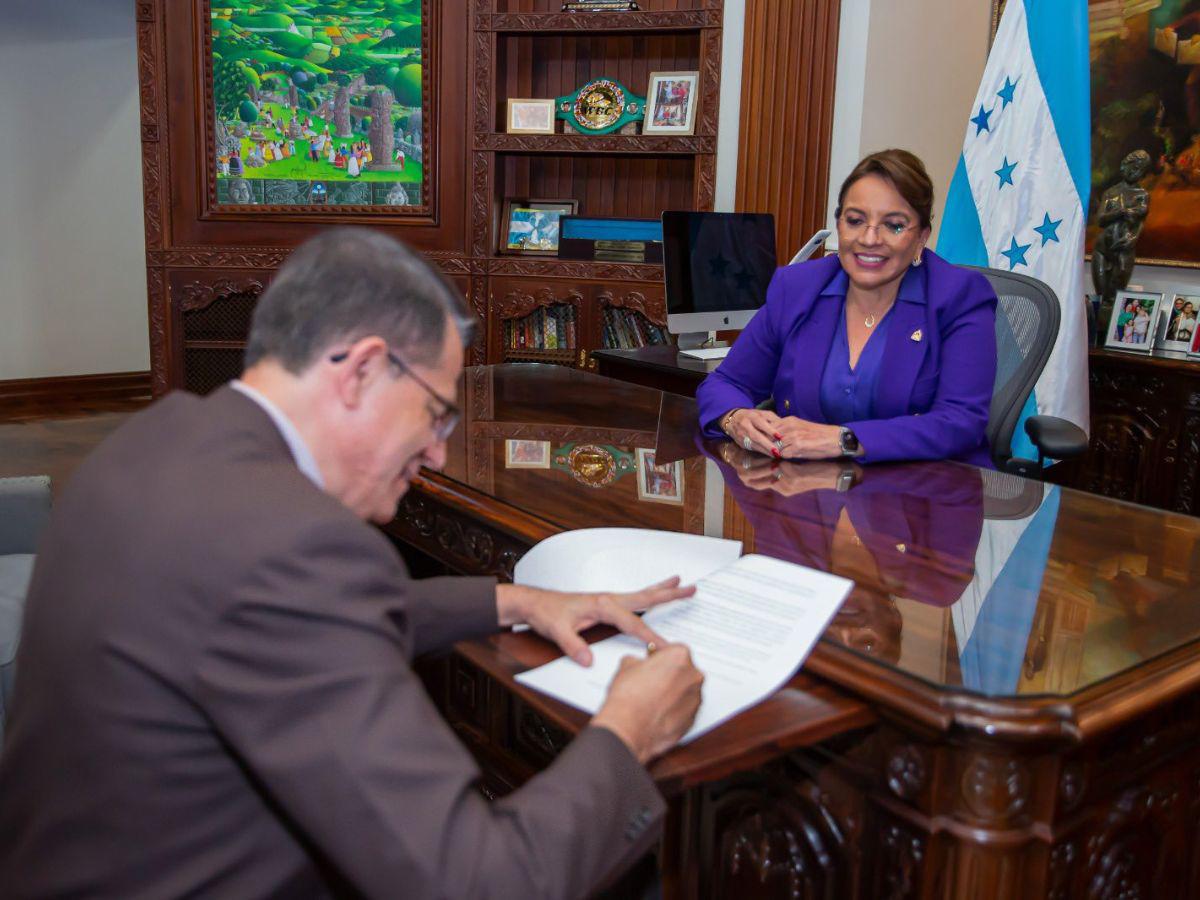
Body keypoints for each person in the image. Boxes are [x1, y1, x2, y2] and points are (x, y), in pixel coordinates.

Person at [0, 229, 705, 898]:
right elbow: (478, 883)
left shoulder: (159, 437)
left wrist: (513, 602)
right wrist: (628, 730)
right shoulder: (295, 548)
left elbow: (272, 621)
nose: (435, 451)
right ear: (363, 370)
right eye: (435, 412)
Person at [696, 148, 998, 468]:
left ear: (921, 238)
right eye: (855, 220)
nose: (869, 238)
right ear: (839, 225)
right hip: (807, 491)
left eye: (894, 225)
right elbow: (726, 382)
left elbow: (960, 422)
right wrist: (735, 417)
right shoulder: (797, 288)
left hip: (926, 494)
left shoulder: (960, 298)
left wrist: (845, 439)